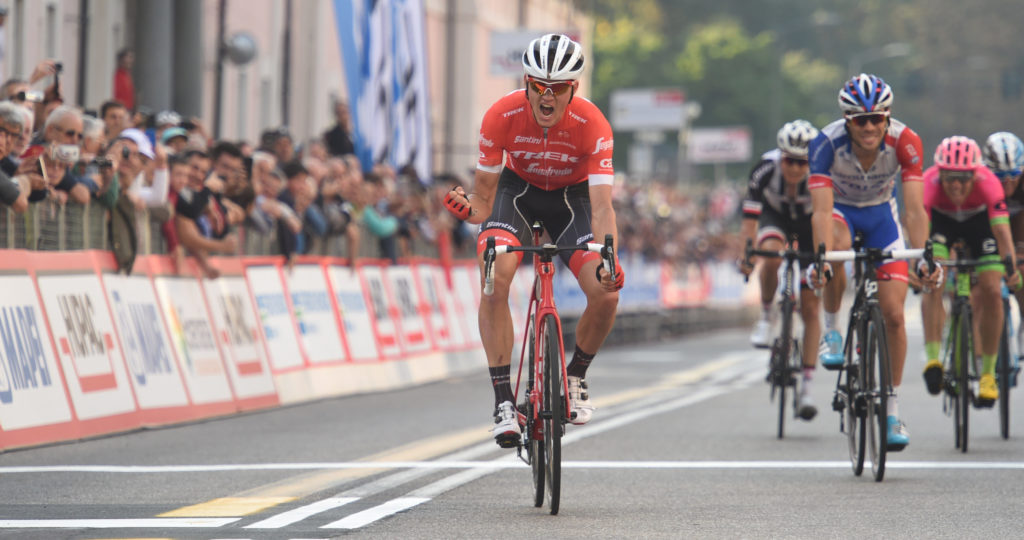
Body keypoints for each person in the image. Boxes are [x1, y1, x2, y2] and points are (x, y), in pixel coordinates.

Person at [442, 33, 622, 447]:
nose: (547, 97)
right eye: (539, 86)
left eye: (557, 89)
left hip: (571, 201)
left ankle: (575, 376)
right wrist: (467, 210)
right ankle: (504, 401)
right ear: (526, 83)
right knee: (494, 273)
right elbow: (484, 203)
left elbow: (601, 208)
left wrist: (609, 255)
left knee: (606, 292)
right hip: (516, 195)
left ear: (572, 89)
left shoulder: (593, 124)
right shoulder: (500, 116)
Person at [807, 73, 942, 450]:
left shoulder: (906, 141)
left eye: (876, 118)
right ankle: (832, 328)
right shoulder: (825, 143)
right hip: (841, 214)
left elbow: (914, 212)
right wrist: (822, 261)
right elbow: (820, 211)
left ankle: (892, 410)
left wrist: (924, 257)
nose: (869, 127)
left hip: (882, 217)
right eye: (859, 120)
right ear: (847, 122)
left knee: (895, 315)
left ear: (887, 118)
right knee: (836, 244)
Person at [920, 136, 1021, 404]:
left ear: (976, 175)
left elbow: (1001, 230)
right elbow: (920, 231)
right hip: (943, 223)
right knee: (934, 277)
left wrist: (1009, 265)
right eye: (949, 177)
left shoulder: (989, 184)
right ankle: (933, 358)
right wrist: (919, 265)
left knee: (990, 287)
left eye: (963, 178)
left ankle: (987, 373)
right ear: (939, 173)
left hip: (979, 225)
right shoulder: (928, 184)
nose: (955, 185)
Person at [738, 119, 821, 420]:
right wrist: (747, 255)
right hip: (776, 217)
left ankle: (808, 388)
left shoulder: (821, 173)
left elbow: (828, 218)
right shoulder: (764, 169)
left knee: (811, 308)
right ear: (780, 155)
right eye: (790, 161)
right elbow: (749, 221)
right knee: (770, 254)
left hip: (810, 222)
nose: (795, 169)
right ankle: (765, 315)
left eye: (802, 163)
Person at [982, 132, 1024, 357]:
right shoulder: (979, 182)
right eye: (1000, 175)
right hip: (987, 226)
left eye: (1014, 174)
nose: (1008, 181)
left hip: (1018, 223)